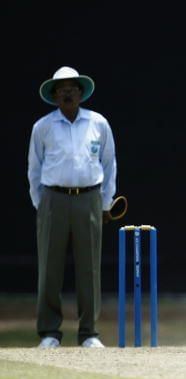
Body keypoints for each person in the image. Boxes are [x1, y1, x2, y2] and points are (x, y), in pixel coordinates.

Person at [27, 66, 117, 348]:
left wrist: (105, 203)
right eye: (61, 89)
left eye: (72, 88)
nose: (67, 92)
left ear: (81, 92)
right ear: (54, 95)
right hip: (53, 199)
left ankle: (89, 332)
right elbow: (34, 169)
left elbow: (109, 164)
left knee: (89, 267)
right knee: (49, 268)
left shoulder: (98, 123)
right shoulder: (43, 127)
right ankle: (49, 333)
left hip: (89, 197)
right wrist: (41, 204)